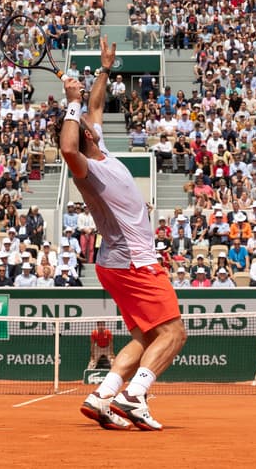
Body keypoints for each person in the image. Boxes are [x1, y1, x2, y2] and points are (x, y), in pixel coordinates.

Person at [65, 37, 187, 432]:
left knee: (146, 335)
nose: (90, 119)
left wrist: (104, 69)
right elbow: (67, 149)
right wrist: (70, 102)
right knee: (173, 333)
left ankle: (103, 394)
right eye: (84, 123)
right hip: (135, 262)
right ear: (84, 135)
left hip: (117, 263)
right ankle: (134, 396)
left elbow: (96, 104)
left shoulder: (101, 150)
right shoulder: (87, 166)